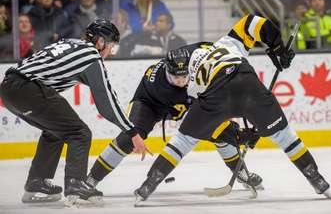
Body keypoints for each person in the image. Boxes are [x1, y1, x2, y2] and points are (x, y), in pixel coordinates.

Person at [134, 14, 331, 203]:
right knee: (284, 136)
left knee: (184, 140)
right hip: (247, 82)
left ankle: (149, 183)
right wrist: (277, 47)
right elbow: (254, 21)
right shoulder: (226, 43)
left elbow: (213, 123)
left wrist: (237, 135)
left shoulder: (191, 81)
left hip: (216, 93)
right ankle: (317, 179)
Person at [0, 19, 149, 205]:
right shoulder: (91, 57)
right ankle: (75, 183)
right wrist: (132, 132)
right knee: (79, 132)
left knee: (55, 130)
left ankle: (36, 183)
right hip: (29, 89)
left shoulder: (70, 43)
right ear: (100, 41)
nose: (110, 52)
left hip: (8, 88)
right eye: (110, 46)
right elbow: (107, 103)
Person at [86, 42, 263, 191]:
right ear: (166, 69)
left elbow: (217, 49)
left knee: (220, 133)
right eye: (175, 77)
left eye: (184, 76)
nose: (180, 81)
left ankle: (241, 173)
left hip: (186, 102)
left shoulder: (196, 54)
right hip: (150, 104)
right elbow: (204, 118)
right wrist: (236, 133)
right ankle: (91, 180)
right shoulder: (163, 86)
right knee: (129, 137)